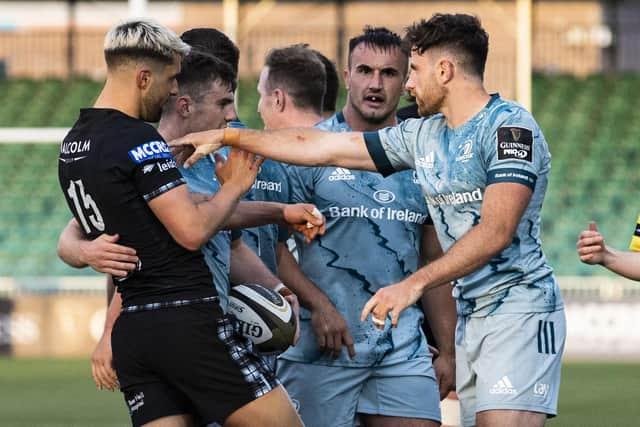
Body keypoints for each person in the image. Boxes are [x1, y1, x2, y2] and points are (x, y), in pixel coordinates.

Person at [172, 13, 567, 427]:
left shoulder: (510, 128)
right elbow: (321, 146)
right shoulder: (424, 135)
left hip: (518, 310)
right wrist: (230, 135)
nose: (408, 84)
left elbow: (497, 230)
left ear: (445, 71)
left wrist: (410, 286)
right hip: (470, 316)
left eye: (412, 70)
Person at [58, 19, 306, 427]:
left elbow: (117, 224)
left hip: (136, 334)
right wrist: (234, 186)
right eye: (171, 79)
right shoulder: (140, 140)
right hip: (187, 320)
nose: (174, 90)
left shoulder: (75, 144)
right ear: (143, 78)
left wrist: (277, 212)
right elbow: (191, 231)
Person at [261, 38, 455, 427]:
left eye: (389, 73)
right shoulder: (308, 149)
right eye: (365, 71)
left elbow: (432, 260)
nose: (375, 84)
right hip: (323, 348)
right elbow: (274, 249)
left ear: (405, 83)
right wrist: (319, 305)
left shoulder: (424, 157)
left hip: (401, 349)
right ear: (348, 76)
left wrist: (449, 350)